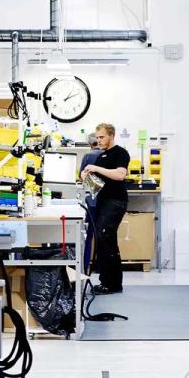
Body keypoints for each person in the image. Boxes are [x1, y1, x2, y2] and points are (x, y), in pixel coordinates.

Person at [80, 123, 130, 295]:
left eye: (102, 137)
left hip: (115, 202)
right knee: (106, 241)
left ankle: (109, 284)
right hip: (103, 202)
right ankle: (111, 283)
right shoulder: (101, 156)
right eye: (97, 137)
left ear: (111, 136)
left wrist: (95, 168)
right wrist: (85, 177)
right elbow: (96, 186)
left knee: (104, 238)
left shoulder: (120, 153)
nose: (99, 140)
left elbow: (120, 174)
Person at [79, 134, 102, 272]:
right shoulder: (108, 155)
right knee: (103, 236)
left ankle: (85, 266)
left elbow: (81, 176)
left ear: (89, 144)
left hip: (92, 201)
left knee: (88, 236)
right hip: (106, 202)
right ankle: (101, 267)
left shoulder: (88, 156)